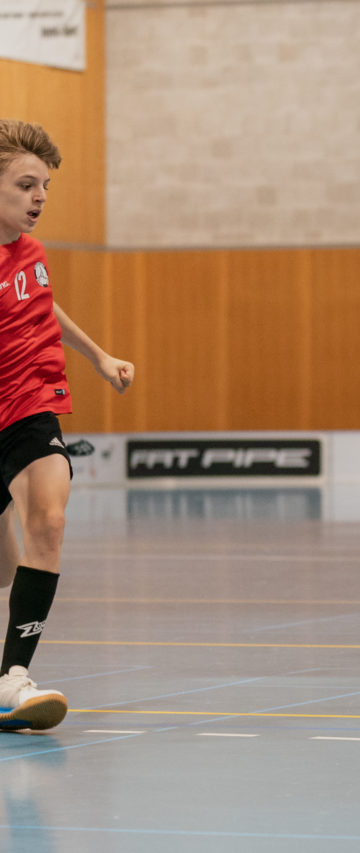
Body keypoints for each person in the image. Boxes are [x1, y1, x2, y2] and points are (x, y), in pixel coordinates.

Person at [0, 119, 135, 730]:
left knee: (50, 518)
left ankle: (14, 677)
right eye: (26, 184)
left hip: (31, 400)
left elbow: (42, 303)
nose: (39, 198)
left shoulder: (32, 253)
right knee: (3, 565)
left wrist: (100, 356)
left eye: (45, 186)